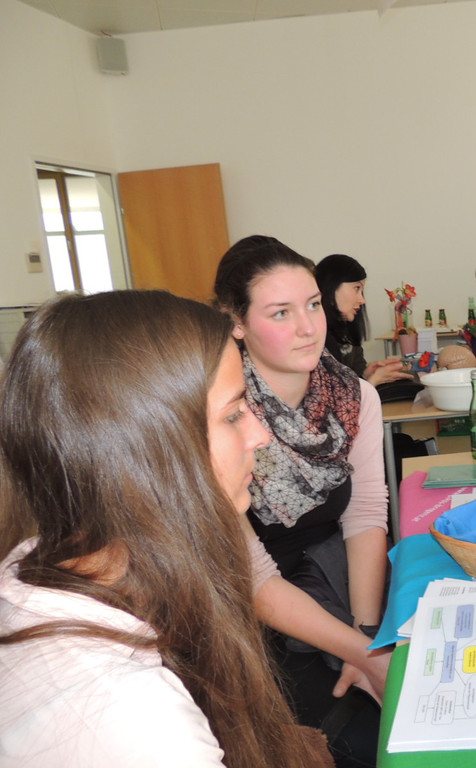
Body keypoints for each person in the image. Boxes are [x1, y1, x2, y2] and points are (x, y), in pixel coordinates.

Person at [0, 291, 332, 767]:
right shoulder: (137, 722)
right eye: (233, 415)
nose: (260, 435)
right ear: (143, 452)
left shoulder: (43, 563)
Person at [214, 236, 391, 768]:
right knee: (350, 744)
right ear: (236, 322)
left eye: (313, 304)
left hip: (336, 584)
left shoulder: (353, 396)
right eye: (280, 313)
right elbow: (251, 574)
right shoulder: (219, 414)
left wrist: (365, 635)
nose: (309, 327)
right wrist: (360, 652)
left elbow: (365, 513)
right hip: (246, 615)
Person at [314, 253, 412, 387]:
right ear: (331, 287)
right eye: (356, 288)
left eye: (362, 291)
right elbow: (335, 398)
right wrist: (373, 381)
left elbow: (350, 382)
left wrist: (365, 374)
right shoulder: (315, 340)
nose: (362, 300)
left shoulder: (346, 331)